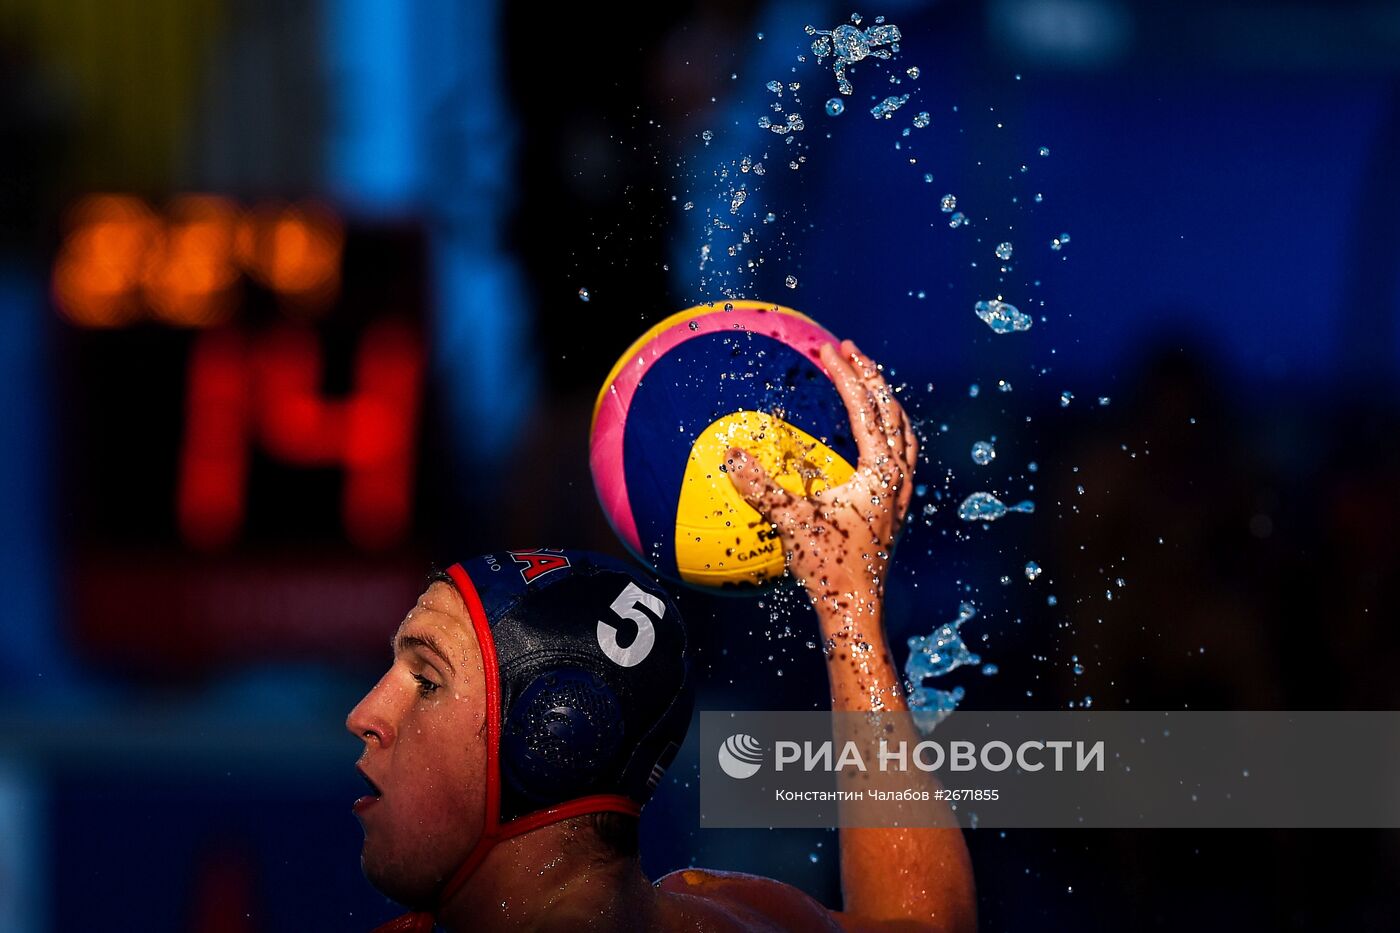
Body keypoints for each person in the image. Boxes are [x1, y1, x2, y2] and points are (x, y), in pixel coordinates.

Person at [347, 340, 976, 932]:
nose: (364, 715)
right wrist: (848, 599)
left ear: (553, 736)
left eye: (426, 681)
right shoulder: (722, 910)